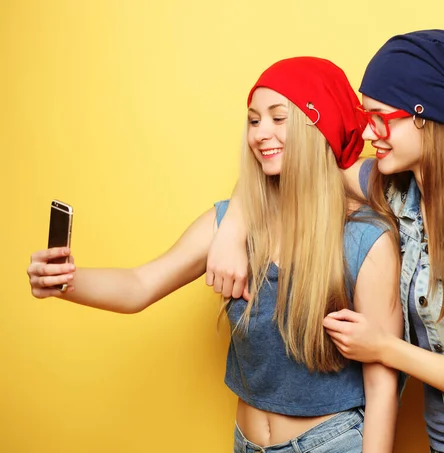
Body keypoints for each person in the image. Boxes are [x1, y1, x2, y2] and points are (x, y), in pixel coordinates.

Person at [208, 31, 444, 452]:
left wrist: (385, 348)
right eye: (366, 115)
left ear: (424, 116)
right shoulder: (393, 192)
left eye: (381, 116)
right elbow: (291, 168)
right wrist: (231, 230)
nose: (369, 132)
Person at [27, 56, 402, 452]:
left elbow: (382, 387)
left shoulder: (365, 240)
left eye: (279, 118)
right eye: (254, 120)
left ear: (319, 128)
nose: (261, 134)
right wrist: (65, 280)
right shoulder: (230, 224)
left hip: (331, 443)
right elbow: (140, 285)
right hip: (246, 442)